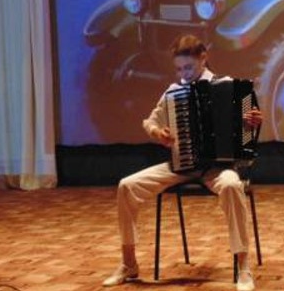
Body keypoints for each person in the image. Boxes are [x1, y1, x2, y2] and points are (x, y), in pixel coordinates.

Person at [103, 34, 262, 291]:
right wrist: (158, 133)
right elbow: (150, 122)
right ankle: (129, 263)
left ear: (203, 58)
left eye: (188, 67)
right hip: (181, 164)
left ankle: (243, 266)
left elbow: (247, 136)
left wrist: (252, 123)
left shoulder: (229, 86)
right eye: (178, 69)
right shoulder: (173, 92)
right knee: (127, 186)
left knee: (233, 186)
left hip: (217, 168)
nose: (183, 74)